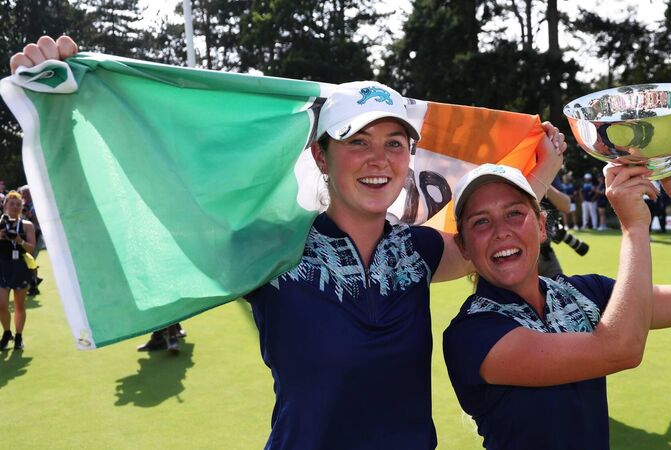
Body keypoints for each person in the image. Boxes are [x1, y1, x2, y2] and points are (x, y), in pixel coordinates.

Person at [11, 36, 568, 448]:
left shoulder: (417, 251)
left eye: (396, 144)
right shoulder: (269, 246)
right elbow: (161, 198)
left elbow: (487, 235)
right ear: (320, 156)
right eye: (358, 142)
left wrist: (536, 174)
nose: (380, 160)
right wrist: (74, 106)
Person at [442, 156, 671, 450]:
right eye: (481, 222)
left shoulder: (585, 291)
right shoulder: (471, 335)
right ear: (463, 246)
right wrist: (634, 228)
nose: (501, 231)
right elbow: (619, 350)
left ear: (541, 226)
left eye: (514, 213)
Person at [0, 191, 37, 351]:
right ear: (5, 205)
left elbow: (31, 247)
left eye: (18, 204)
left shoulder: (27, 225)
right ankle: (7, 332)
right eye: (11, 203)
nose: (15, 207)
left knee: (19, 305)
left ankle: (19, 337)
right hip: (2, 267)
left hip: (20, 267)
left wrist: (19, 240)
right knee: (1, 305)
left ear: (21, 206)